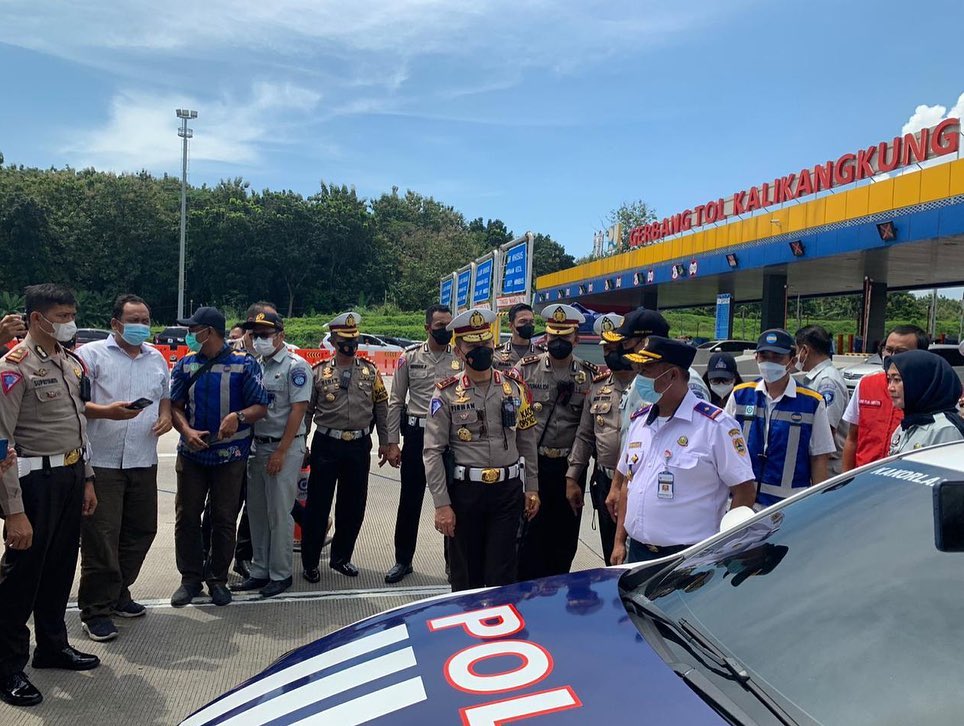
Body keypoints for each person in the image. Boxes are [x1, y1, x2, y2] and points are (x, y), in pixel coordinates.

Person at [0, 284, 100, 708]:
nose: (69, 322)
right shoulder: (14, 367)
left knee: (60, 568)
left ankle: (53, 647)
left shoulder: (69, 362)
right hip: (33, 485)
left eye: (71, 314)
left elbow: (79, 426)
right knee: (21, 578)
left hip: (71, 475)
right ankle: (6, 668)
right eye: (62, 315)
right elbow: (1, 444)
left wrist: (88, 478)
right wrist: (14, 513)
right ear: (38, 319)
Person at [75, 294, 172, 642]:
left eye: (145, 319)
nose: (141, 326)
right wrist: (106, 412)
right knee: (101, 537)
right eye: (134, 320)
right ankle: (96, 609)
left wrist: (164, 416)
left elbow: (165, 396)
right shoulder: (90, 356)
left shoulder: (156, 358)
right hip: (101, 461)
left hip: (143, 458)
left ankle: (118, 591)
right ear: (115, 323)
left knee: (142, 530)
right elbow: (74, 404)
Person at [422, 307, 541, 590]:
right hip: (465, 495)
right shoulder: (446, 393)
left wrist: (532, 487)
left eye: (485, 343)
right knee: (466, 575)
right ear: (458, 350)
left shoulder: (514, 388)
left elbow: (526, 439)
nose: (481, 350)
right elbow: (433, 452)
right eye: (472, 345)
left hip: (507, 491)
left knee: (502, 573)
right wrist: (442, 504)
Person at [611, 336, 756, 565]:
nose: (639, 377)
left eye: (646, 369)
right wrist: (619, 541)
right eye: (638, 368)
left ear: (672, 375)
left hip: (689, 558)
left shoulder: (715, 426)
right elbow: (629, 485)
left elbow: (745, 490)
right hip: (638, 552)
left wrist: (725, 546)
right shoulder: (640, 422)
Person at [169, 306, 268, 608]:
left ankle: (218, 579)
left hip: (230, 456)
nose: (189, 335)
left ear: (207, 332)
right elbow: (174, 406)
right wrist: (186, 431)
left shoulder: (244, 364)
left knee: (224, 519)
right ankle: (190, 578)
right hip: (193, 455)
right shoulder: (185, 365)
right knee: (187, 516)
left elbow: (260, 406)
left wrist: (238, 416)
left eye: (192, 330)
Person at [601, 306, 711, 527]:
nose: (621, 351)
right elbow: (632, 444)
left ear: (645, 342)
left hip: (669, 506)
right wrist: (618, 485)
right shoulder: (642, 380)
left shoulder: (684, 383)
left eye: (625, 344)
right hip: (636, 492)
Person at [302, 312, 390, 581]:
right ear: (334, 341)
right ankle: (310, 562)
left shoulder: (370, 372)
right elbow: (306, 411)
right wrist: (300, 443)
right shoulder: (318, 373)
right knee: (318, 505)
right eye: (344, 340)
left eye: (354, 339)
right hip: (326, 444)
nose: (350, 345)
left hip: (359, 445)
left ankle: (341, 558)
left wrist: (386, 441)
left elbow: (382, 408)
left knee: (353, 506)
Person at [514, 304, 597, 580]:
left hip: (570, 468)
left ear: (576, 338)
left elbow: (588, 431)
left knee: (564, 537)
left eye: (564, 337)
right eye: (553, 337)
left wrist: (574, 472)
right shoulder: (525, 371)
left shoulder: (590, 376)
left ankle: (558, 589)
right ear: (545, 338)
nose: (557, 343)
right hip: (534, 466)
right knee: (529, 535)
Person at [231, 312, 311, 598]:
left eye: (266, 334)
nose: (260, 339)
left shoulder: (295, 367)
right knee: (257, 512)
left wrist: (281, 451)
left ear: (280, 334)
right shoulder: (254, 365)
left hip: (283, 447)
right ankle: (259, 570)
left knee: (279, 512)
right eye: (255, 334)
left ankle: (281, 574)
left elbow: (297, 412)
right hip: (257, 447)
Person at [383, 304, 461, 584]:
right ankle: (403, 560)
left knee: (452, 501)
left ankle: (453, 563)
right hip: (417, 436)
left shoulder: (460, 358)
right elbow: (395, 402)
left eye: (448, 326)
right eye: (439, 326)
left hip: (450, 440)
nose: (445, 331)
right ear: (427, 328)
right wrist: (392, 442)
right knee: (410, 500)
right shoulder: (410, 357)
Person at [725, 329, 835, 507]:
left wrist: (818, 505)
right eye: (764, 356)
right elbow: (724, 448)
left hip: (788, 506)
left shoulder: (812, 402)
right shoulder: (740, 395)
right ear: (756, 358)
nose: (770, 362)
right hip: (743, 504)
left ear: (791, 361)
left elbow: (819, 458)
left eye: (777, 357)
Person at [565, 313, 632, 565]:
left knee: (632, 552)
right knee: (610, 553)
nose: (611, 354)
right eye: (607, 349)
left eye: (617, 348)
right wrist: (572, 477)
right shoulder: (597, 387)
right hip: (605, 480)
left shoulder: (648, 386)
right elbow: (584, 436)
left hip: (636, 483)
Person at [841, 325, 929, 471]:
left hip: (907, 481)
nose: (891, 356)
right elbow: (852, 438)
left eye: (900, 352)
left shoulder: (932, 392)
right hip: (864, 478)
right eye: (888, 350)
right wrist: (844, 482)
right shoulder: (865, 384)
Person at [795, 325, 850, 475]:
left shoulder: (827, 381)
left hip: (827, 465)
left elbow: (827, 429)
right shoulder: (819, 377)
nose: (796, 357)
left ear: (805, 350)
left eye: (796, 350)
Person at [885, 350, 964, 454]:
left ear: (921, 382)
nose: (890, 388)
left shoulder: (945, 429)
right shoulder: (908, 424)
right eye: (889, 380)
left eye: (897, 380)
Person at [494, 303, 540, 371]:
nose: (528, 325)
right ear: (510, 325)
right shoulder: (496, 354)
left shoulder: (541, 353)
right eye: (523, 321)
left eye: (531, 321)